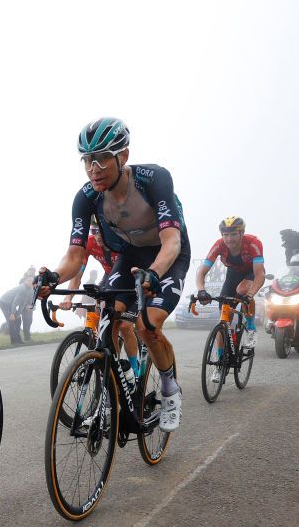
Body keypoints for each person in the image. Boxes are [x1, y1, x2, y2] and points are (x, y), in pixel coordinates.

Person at [37, 117, 190, 432]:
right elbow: (75, 256)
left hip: (166, 254)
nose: (94, 168)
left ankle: (170, 391)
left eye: (102, 158)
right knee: (107, 314)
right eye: (87, 160)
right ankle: (113, 396)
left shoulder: (154, 179)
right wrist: (53, 277)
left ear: (124, 156)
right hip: (131, 254)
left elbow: (171, 241)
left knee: (148, 324)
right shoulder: (86, 197)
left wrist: (154, 273)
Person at [59, 224, 142, 377]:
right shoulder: (90, 243)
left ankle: (135, 368)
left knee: (124, 326)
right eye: (94, 231)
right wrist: (68, 298)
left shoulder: (121, 241)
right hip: (110, 276)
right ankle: (114, 369)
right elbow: (77, 275)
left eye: (101, 231)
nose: (97, 235)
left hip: (131, 278)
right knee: (108, 325)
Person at [194, 216, 266, 382]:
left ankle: (250, 326)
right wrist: (201, 290)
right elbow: (201, 271)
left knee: (242, 291)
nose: (229, 238)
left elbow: (260, 274)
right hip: (232, 275)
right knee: (224, 319)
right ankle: (221, 363)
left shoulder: (253, 243)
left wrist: (250, 295)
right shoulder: (219, 245)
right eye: (225, 235)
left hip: (251, 273)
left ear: (241, 233)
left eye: (233, 234)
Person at [0, 280, 32, 345]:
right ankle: (14, 341)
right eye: (30, 281)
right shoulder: (22, 289)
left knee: (18, 320)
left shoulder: (28, 290)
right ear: (26, 282)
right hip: (4, 302)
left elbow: (22, 304)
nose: (32, 283)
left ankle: (18, 340)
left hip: (10, 304)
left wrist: (18, 314)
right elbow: (15, 302)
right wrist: (13, 314)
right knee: (11, 320)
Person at [19, 266, 37, 341]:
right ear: (28, 270)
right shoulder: (23, 280)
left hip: (31, 302)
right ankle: (27, 337)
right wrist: (26, 305)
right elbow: (21, 292)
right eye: (31, 270)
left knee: (30, 320)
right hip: (24, 304)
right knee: (26, 319)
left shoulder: (35, 279)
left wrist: (33, 305)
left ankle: (27, 336)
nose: (32, 271)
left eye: (33, 270)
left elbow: (35, 291)